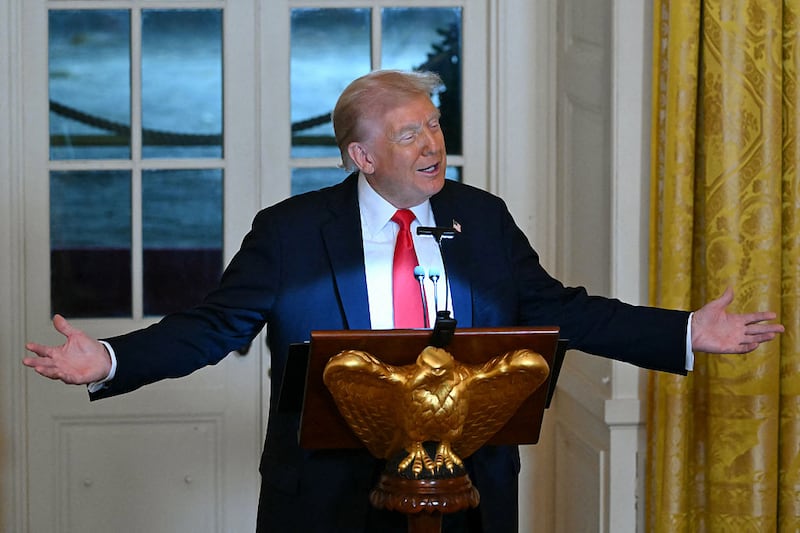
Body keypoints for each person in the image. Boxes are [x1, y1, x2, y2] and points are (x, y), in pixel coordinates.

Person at [23, 70, 783, 532]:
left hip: (468, 489)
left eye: (435, 124)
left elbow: (563, 311)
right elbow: (215, 325)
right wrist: (112, 357)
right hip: (328, 495)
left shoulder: (480, 217)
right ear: (362, 156)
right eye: (409, 131)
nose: (432, 145)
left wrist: (684, 331)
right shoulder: (291, 233)